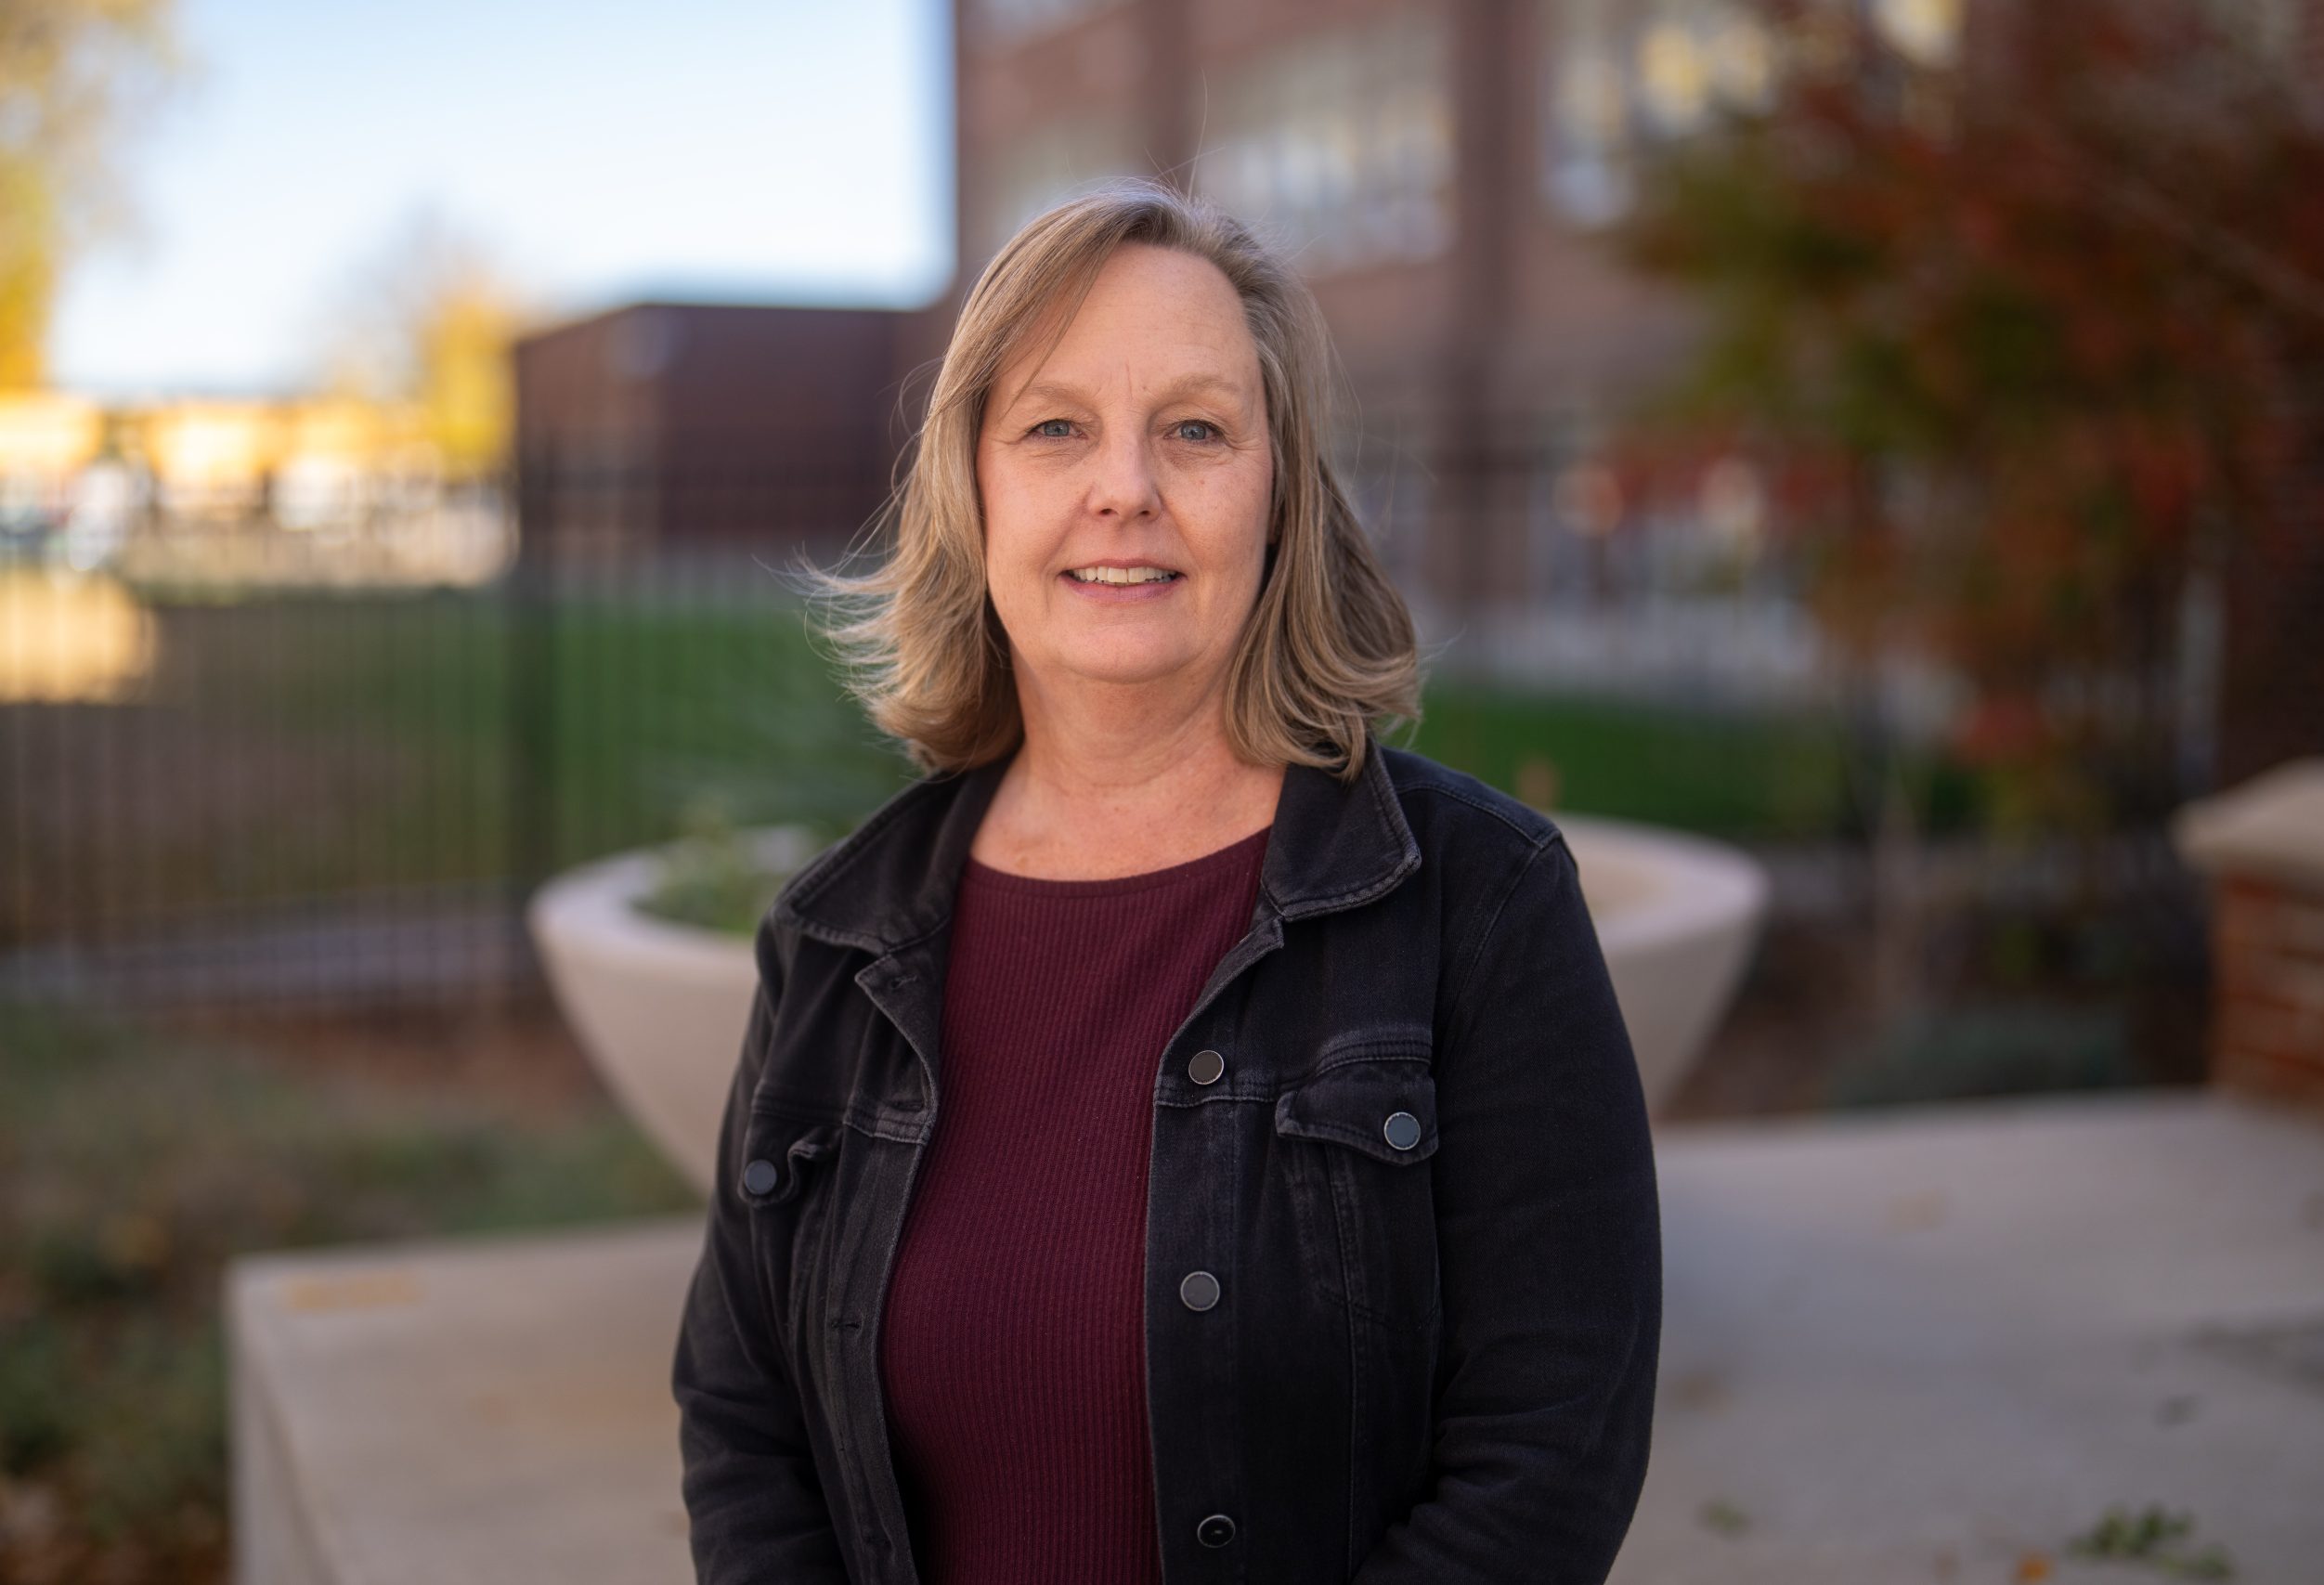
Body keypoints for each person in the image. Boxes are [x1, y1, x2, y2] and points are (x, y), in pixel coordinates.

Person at [671, 176, 1663, 1585]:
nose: (1122, 488)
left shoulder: (1479, 909)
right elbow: (743, 1416)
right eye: (1056, 428)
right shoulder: (839, 937)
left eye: (1193, 430)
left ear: (1278, 492)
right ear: (974, 487)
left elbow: (1545, 1466)